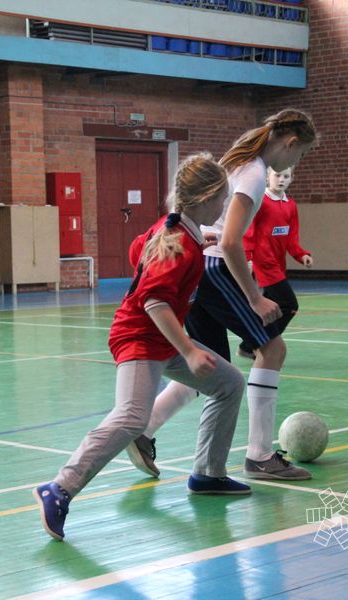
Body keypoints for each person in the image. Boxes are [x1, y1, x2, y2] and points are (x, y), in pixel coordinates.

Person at [33, 153, 249, 542]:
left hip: (159, 338)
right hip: (139, 337)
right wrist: (189, 351)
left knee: (229, 383)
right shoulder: (178, 242)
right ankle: (59, 488)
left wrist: (197, 244)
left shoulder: (173, 230)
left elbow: (138, 252)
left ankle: (208, 474)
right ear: (205, 200)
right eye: (223, 199)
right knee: (132, 417)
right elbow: (154, 301)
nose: (224, 207)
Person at [126, 108, 319, 482]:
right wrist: (254, 297)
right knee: (273, 350)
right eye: (302, 153)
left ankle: (144, 428)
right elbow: (230, 242)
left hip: (202, 266)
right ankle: (260, 455)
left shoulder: (243, 162)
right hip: (216, 269)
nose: (298, 160)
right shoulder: (254, 174)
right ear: (291, 143)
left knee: (210, 366)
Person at [237, 166, 312, 360]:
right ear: (267, 177)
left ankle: (247, 346)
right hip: (264, 263)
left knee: (272, 309)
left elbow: (292, 238)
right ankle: (259, 343)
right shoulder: (260, 201)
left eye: (286, 176)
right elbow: (249, 231)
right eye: (277, 175)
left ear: (292, 179)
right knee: (289, 305)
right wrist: (248, 257)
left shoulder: (290, 205)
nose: (281, 179)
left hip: (278, 265)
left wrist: (301, 255)